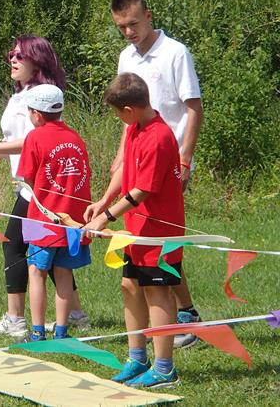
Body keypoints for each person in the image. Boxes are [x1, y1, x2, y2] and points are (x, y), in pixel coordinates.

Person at [0, 35, 89, 338]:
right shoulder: (20, 95)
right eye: (12, 54)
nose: (13, 59)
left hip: (36, 187)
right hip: (28, 183)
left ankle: (17, 319)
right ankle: (75, 315)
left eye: (20, 55)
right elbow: (17, 139)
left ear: (38, 61)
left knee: (16, 246)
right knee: (52, 251)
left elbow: (32, 140)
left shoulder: (40, 96)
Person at [110, 0, 204, 348]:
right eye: (121, 27)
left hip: (168, 158)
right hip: (137, 155)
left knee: (162, 240)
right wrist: (121, 156)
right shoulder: (126, 56)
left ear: (148, 16)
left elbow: (193, 109)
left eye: (133, 24)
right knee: (144, 242)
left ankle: (183, 316)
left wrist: (185, 159)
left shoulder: (175, 52)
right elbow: (126, 112)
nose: (129, 32)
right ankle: (174, 318)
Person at [84, 73, 184, 388]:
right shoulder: (134, 129)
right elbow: (127, 168)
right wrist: (103, 201)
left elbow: (142, 191)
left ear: (129, 109)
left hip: (159, 232)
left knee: (157, 292)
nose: (119, 118)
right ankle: (137, 358)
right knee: (130, 286)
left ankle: (165, 368)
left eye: (117, 113)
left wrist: (106, 218)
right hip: (136, 228)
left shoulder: (159, 137)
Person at [17, 84, 92, 341]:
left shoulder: (34, 137)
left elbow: (27, 177)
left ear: (37, 114)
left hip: (42, 218)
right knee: (64, 272)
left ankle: (38, 332)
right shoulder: (75, 137)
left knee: (36, 272)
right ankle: (61, 331)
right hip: (73, 219)